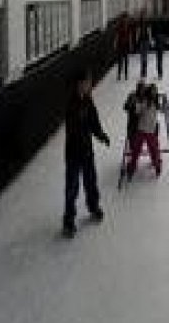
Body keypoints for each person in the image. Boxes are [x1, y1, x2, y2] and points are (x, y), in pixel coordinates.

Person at [63, 69, 109, 239]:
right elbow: (73, 128)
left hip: (87, 151)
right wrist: (81, 118)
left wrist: (101, 135)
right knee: (72, 188)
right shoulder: (71, 103)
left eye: (90, 82)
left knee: (91, 182)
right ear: (80, 84)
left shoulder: (88, 100)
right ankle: (69, 221)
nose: (90, 84)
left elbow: (93, 122)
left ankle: (93, 206)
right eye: (87, 82)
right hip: (74, 153)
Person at [126, 84, 162, 179]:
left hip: (148, 130)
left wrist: (135, 104)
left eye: (155, 91)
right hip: (143, 130)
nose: (154, 93)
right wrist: (134, 104)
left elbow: (138, 110)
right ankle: (133, 166)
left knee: (151, 149)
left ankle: (156, 164)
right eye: (153, 91)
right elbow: (137, 110)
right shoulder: (146, 102)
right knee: (138, 149)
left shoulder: (153, 103)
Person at [114, 14, 132, 81]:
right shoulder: (119, 26)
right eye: (125, 18)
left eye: (127, 19)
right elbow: (117, 35)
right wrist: (115, 43)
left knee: (126, 60)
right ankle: (119, 74)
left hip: (126, 44)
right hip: (120, 44)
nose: (126, 20)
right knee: (120, 60)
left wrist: (130, 43)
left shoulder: (128, 26)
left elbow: (129, 35)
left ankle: (126, 74)